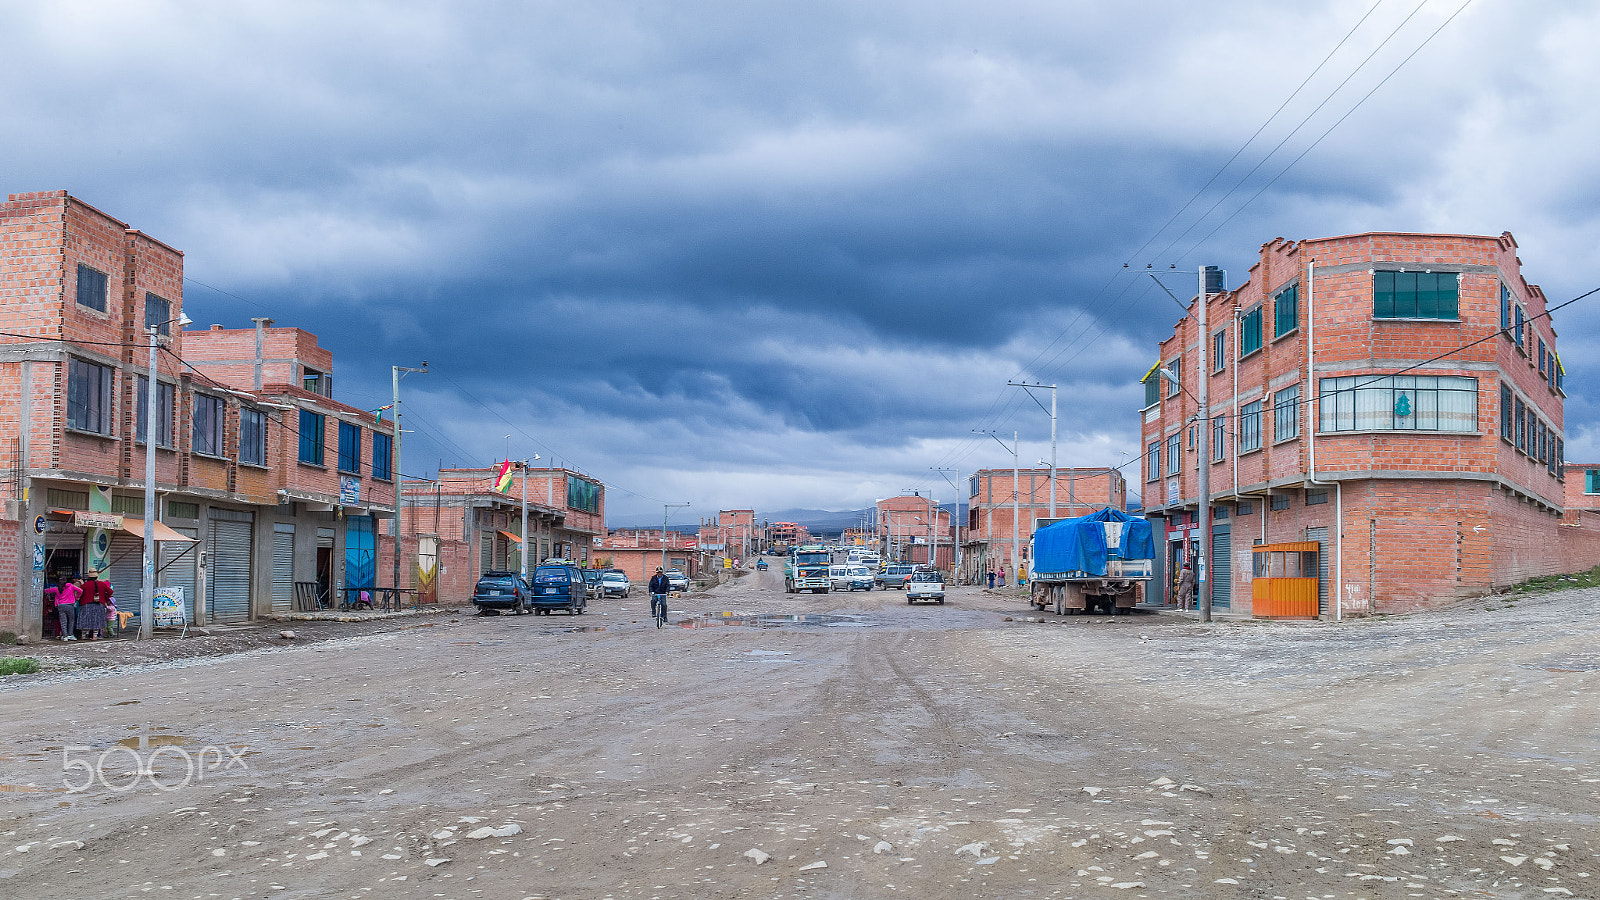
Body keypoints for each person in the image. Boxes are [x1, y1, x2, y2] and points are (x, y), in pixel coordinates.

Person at [78, 573, 111, 641]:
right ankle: (94, 636)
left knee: (85, 620)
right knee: (97, 620)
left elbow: (79, 593)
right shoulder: (102, 584)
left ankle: (83, 635)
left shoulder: (85, 585)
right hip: (99, 604)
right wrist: (105, 598)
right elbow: (110, 591)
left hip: (85, 604)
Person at [55, 576, 82, 641]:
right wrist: (77, 597)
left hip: (61, 606)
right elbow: (80, 590)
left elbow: (48, 590)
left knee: (63, 621)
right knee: (71, 620)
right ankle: (70, 634)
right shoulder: (71, 586)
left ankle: (65, 636)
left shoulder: (57, 588)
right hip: (70, 605)